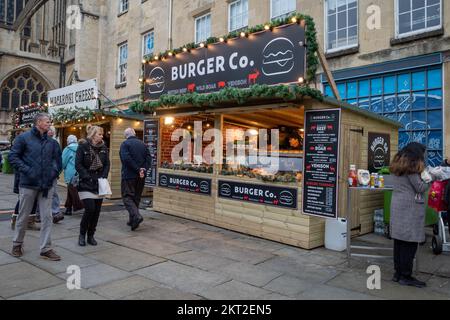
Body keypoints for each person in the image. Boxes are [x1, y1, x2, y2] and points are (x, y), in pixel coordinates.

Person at [8, 113, 62, 261]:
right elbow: (13, 157)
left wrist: (54, 173)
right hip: (28, 184)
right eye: (47, 121)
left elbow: (58, 161)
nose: (49, 123)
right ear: (38, 122)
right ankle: (17, 244)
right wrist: (28, 170)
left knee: (47, 217)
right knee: (24, 215)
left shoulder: (52, 143)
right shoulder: (23, 138)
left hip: (47, 185)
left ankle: (46, 248)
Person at [390, 142, 431, 288]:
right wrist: (430, 177)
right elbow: (420, 187)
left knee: (399, 242)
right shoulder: (412, 167)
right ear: (416, 154)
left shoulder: (398, 163)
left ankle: (398, 274)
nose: (424, 156)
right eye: (423, 154)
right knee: (409, 243)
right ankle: (406, 276)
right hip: (409, 209)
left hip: (398, 206)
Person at [75, 125, 110, 246]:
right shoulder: (83, 146)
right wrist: (87, 177)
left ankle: (91, 235)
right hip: (86, 183)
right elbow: (78, 164)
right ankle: (81, 234)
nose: (102, 136)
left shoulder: (104, 148)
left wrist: (104, 176)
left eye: (102, 134)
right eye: (100, 134)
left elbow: (107, 164)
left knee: (97, 211)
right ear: (93, 135)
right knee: (90, 209)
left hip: (99, 183)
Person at [119, 128, 151, 231]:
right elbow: (149, 159)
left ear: (126, 135)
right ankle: (133, 220)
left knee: (127, 197)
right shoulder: (143, 144)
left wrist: (137, 169)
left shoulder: (125, 144)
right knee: (136, 197)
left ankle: (136, 216)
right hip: (141, 176)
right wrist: (143, 170)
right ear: (134, 134)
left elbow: (126, 159)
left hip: (129, 175)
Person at [62, 135, 83, 215]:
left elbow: (63, 162)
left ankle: (80, 205)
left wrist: (58, 172)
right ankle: (68, 209)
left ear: (68, 141)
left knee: (72, 190)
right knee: (70, 190)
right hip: (79, 172)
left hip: (70, 173)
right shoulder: (80, 148)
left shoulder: (67, 149)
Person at [47, 126, 64, 224]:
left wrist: (57, 171)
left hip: (52, 173)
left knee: (53, 193)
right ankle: (37, 213)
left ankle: (55, 212)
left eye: (52, 131)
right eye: (49, 130)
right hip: (39, 173)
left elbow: (59, 158)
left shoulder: (54, 143)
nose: (51, 132)